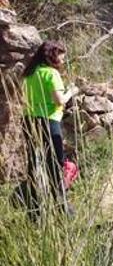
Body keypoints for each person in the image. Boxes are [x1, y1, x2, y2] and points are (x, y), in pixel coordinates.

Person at [20, 40, 77, 218]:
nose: (62, 60)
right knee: (54, 164)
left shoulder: (30, 74)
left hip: (29, 121)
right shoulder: (51, 73)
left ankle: (34, 210)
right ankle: (62, 207)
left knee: (34, 164)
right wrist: (72, 91)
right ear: (53, 55)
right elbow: (59, 100)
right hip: (49, 121)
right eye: (61, 56)